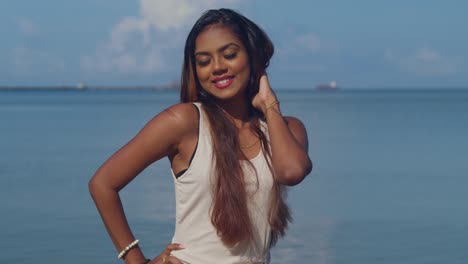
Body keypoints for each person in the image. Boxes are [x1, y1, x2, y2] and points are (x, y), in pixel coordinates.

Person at [89, 8, 312, 264]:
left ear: (253, 58)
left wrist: (269, 104)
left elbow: (292, 172)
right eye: (204, 61)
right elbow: (103, 184)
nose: (217, 67)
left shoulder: (287, 129)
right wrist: (136, 259)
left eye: (229, 55)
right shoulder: (183, 122)